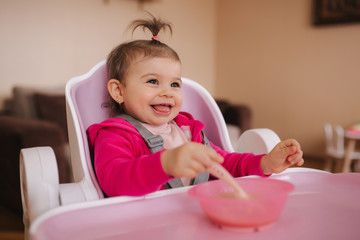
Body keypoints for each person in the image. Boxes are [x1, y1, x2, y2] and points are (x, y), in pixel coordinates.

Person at [87, 14, 304, 197]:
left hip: (197, 215)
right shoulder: (115, 134)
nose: (167, 92)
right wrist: (164, 163)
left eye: (175, 84)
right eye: (152, 81)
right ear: (118, 91)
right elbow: (115, 182)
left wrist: (265, 163)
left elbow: (225, 163)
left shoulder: (187, 130)